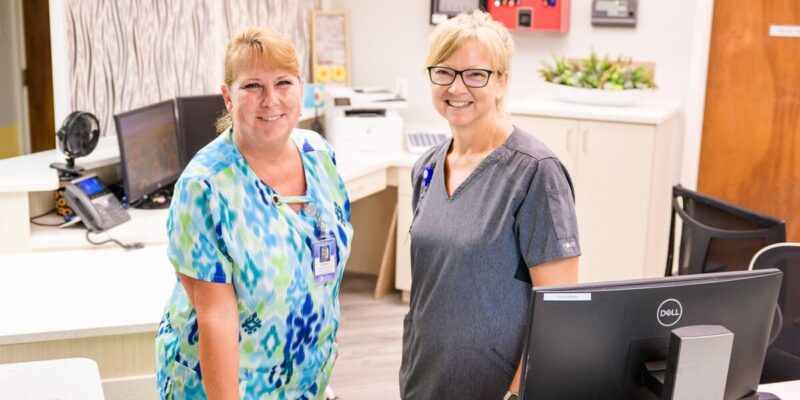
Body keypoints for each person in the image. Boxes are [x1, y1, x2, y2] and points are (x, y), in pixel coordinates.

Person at [155, 27, 353, 399]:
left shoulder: (319, 156)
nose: (271, 100)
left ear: (301, 88)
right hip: (225, 387)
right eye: (252, 87)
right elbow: (216, 319)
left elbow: (323, 282)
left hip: (302, 381)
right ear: (228, 97)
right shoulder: (205, 188)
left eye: (283, 83)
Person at [399, 11, 581, 400]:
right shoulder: (427, 168)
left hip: (495, 388)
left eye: (475, 74)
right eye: (444, 72)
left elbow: (559, 308)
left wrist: (516, 396)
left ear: (502, 81)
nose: (457, 86)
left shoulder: (535, 173)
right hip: (424, 379)